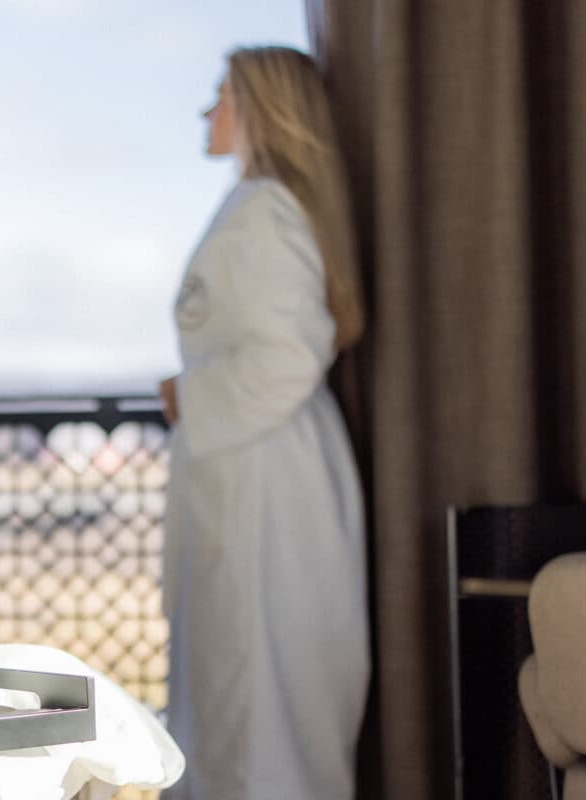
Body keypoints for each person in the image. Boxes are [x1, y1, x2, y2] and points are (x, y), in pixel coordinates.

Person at [158, 45, 368, 799]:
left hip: (265, 487)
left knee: (260, 697)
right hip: (248, 471)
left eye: (222, 94)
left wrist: (191, 397)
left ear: (259, 108)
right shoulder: (258, 206)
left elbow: (289, 356)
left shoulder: (266, 211)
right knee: (237, 692)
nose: (207, 110)